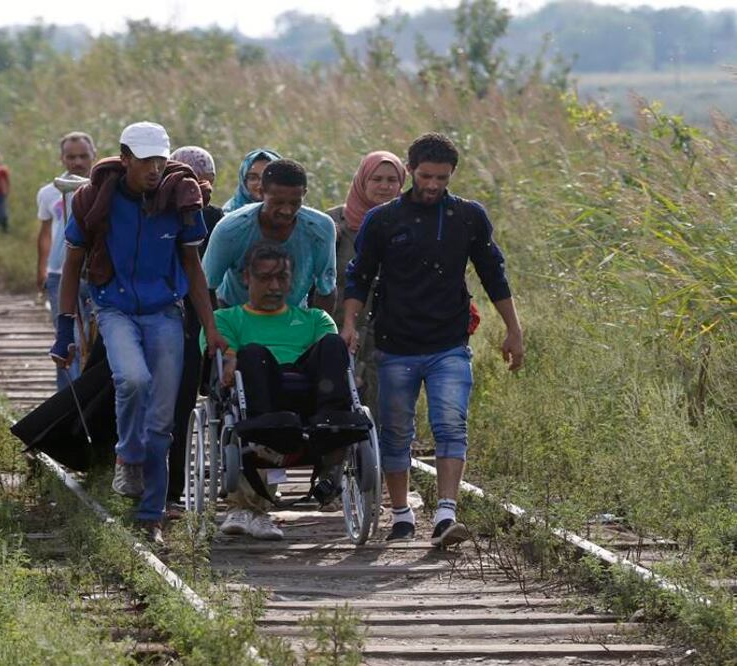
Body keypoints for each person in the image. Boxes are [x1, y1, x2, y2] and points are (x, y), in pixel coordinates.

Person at [341, 132, 524, 548]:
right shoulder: (383, 219)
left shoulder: (468, 217)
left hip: (449, 343)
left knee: (450, 424)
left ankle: (445, 513)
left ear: (451, 175)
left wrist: (514, 329)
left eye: (441, 178)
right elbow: (360, 275)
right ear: (410, 171)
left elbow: (493, 273)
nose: (432, 186)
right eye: (425, 176)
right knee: (396, 431)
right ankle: (402, 513)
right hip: (397, 344)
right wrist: (349, 323)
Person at [50, 121, 226, 545]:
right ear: (125, 158)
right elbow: (73, 263)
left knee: (163, 422)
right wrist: (64, 329)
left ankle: (152, 515)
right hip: (114, 309)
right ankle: (127, 456)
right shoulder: (97, 200)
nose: (153, 169)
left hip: (164, 311)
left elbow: (193, 269)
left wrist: (211, 329)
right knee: (132, 378)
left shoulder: (180, 200)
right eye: (145, 160)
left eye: (160, 160)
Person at [213, 241, 369, 540]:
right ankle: (248, 506)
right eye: (265, 278)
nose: (274, 286)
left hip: (311, 399)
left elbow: (333, 364)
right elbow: (223, 366)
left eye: (282, 278)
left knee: (333, 343)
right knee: (252, 353)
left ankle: (332, 425)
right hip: (260, 399)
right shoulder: (227, 320)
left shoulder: (315, 319)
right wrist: (231, 364)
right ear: (246, 278)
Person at [165, 145, 222, 509]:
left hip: (208, 317)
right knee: (169, 403)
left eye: (203, 178)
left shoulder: (219, 219)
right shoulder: (160, 213)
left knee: (193, 401)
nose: (196, 185)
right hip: (171, 312)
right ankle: (166, 487)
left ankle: (178, 488)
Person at [326, 151, 407, 406]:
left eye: (392, 180)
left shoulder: (410, 224)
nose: (384, 186)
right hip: (339, 329)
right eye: (377, 179)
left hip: (389, 334)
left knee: (384, 408)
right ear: (362, 180)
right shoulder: (332, 223)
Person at [204, 159, 337, 312]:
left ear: (304, 194)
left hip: (292, 319)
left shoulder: (320, 229)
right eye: (278, 202)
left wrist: (317, 331)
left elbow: (326, 289)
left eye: (294, 203)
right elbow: (206, 286)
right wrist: (215, 329)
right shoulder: (230, 230)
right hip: (236, 316)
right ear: (261, 192)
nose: (286, 211)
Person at [37, 131, 96, 390]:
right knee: (67, 339)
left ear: (94, 156)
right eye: (71, 157)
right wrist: (42, 269)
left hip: (93, 273)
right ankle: (67, 402)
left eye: (83, 156)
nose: (78, 162)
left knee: (94, 341)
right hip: (59, 274)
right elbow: (44, 234)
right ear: (62, 158)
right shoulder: (49, 192)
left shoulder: (103, 190)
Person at [222, 148, 282, 213]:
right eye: (253, 178)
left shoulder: (291, 214)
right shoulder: (228, 214)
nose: (261, 184)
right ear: (244, 182)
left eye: (268, 177)